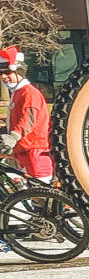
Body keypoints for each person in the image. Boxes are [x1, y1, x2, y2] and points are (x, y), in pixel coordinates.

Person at [0, 47, 53, 182]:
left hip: (35, 152)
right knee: (19, 195)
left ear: (20, 72)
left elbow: (27, 120)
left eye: (7, 72)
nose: (3, 76)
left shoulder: (28, 93)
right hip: (23, 152)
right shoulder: (17, 92)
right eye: (1, 73)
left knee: (42, 195)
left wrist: (12, 137)